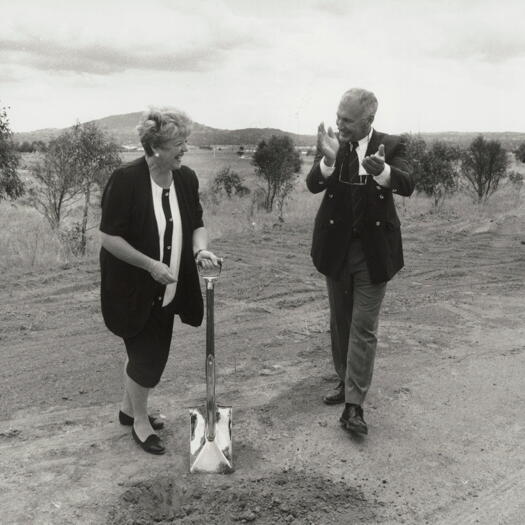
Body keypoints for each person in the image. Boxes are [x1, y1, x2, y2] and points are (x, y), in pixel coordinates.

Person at [99, 107, 220, 454]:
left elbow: (196, 223)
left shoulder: (185, 178)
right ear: (154, 148)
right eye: (178, 144)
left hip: (168, 287)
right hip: (130, 288)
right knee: (148, 359)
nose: (185, 149)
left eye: (186, 142)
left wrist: (199, 252)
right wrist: (151, 264)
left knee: (143, 353)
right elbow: (109, 237)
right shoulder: (125, 179)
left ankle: (127, 409)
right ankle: (140, 420)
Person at [306, 88, 414, 435]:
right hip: (336, 248)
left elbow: (408, 183)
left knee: (363, 327)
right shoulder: (335, 145)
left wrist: (382, 172)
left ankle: (354, 406)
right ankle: (344, 379)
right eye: (338, 117)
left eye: (347, 120)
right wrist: (328, 161)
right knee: (341, 321)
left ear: (369, 121)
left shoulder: (393, 145)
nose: (340, 124)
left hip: (373, 252)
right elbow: (312, 184)